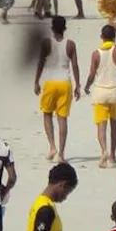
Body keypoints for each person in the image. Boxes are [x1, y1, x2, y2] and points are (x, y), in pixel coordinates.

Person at [86, 24, 116, 169]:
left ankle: (104, 151)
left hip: (100, 91)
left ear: (101, 37)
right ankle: (113, 156)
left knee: (101, 126)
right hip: (115, 91)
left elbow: (91, 74)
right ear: (114, 37)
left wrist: (87, 86)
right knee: (115, 124)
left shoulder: (96, 53)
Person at [35, 16, 80, 163]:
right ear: (65, 28)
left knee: (47, 114)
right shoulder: (70, 44)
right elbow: (75, 66)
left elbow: (41, 63)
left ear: (52, 28)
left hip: (50, 82)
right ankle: (61, 153)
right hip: (65, 82)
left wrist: (36, 81)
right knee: (62, 118)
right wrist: (78, 85)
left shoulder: (46, 43)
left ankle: (52, 146)